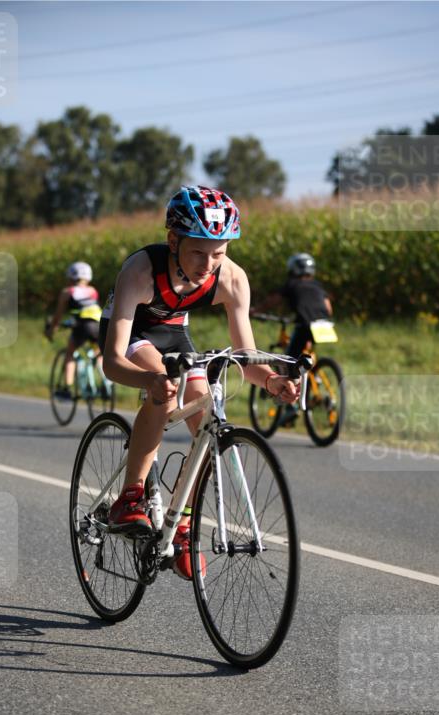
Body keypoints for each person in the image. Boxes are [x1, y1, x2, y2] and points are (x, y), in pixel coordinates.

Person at [100, 185, 298, 580]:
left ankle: (183, 525)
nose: (208, 263)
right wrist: (150, 380)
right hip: (131, 334)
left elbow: (245, 356)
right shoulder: (139, 272)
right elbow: (112, 362)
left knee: (207, 420)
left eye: (218, 253)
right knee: (166, 389)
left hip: (174, 333)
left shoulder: (233, 279)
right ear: (173, 240)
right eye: (197, 252)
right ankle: (131, 496)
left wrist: (273, 380)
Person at [253, 252, 333, 425]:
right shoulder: (317, 285)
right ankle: (315, 380)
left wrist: (255, 310)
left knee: (288, 360)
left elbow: (273, 300)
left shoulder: (292, 284)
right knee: (307, 356)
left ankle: (291, 407)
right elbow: (328, 307)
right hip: (325, 325)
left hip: (305, 325)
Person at [45, 261, 104, 399]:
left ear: (70, 277)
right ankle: (105, 385)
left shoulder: (67, 292)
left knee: (70, 352)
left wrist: (51, 330)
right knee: (97, 353)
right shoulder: (93, 291)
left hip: (83, 326)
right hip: (99, 325)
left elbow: (57, 317)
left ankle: (67, 389)